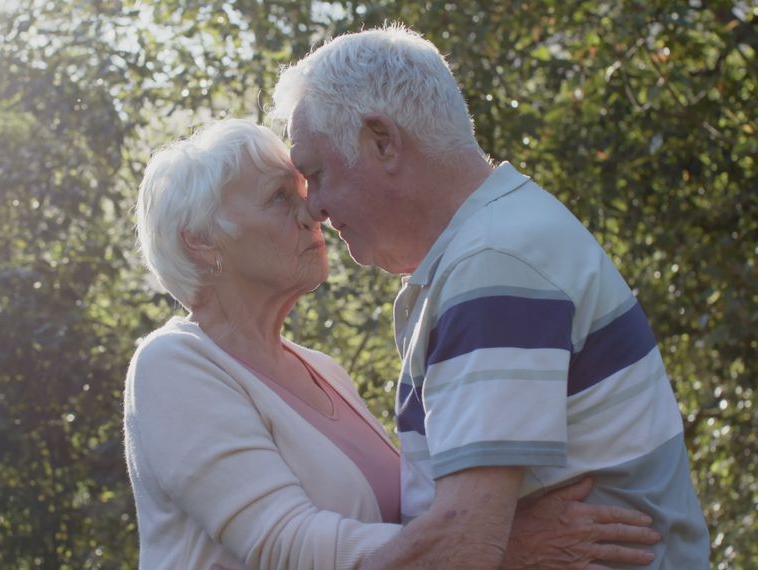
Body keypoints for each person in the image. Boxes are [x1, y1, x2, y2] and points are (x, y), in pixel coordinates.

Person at [124, 118, 661, 569]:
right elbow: (286, 544)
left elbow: (411, 522)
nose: (314, 213)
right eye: (278, 199)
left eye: (306, 192)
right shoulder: (173, 364)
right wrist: (494, 545)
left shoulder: (325, 371)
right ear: (199, 241)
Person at [269, 24, 710, 569]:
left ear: (382, 141)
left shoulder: (493, 265)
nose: (313, 208)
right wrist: (503, 540)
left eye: (315, 172)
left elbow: (463, 547)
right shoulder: (489, 245)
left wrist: (488, 540)